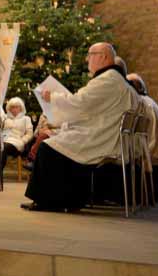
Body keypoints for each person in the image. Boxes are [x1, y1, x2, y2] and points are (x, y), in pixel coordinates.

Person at [22, 43, 138, 212]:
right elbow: (90, 107)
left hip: (102, 138)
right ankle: (71, 200)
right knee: (60, 141)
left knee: (48, 147)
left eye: (90, 54)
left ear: (104, 56)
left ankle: (50, 201)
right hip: (108, 135)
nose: (87, 59)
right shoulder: (117, 80)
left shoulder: (108, 79)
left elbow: (79, 103)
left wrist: (52, 97)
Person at [1, 97, 34, 174]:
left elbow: (29, 133)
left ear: (21, 108)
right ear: (9, 108)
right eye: (12, 107)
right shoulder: (5, 118)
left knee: (3, 147)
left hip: (17, 143)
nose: (14, 109)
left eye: (17, 107)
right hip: (4, 140)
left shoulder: (26, 119)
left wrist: (23, 141)